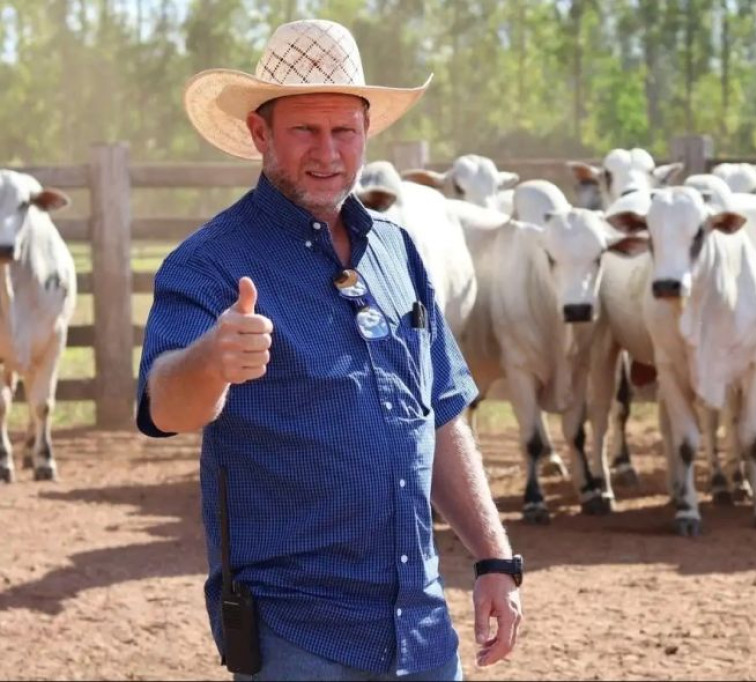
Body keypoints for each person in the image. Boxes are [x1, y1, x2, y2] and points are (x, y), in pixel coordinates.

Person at [136, 18, 522, 681]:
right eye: (304, 131)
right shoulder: (208, 263)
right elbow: (163, 407)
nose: (327, 151)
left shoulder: (398, 252)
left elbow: (440, 409)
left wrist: (493, 557)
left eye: (344, 130)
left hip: (421, 627)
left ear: (366, 131)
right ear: (260, 134)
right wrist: (211, 360)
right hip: (296, 634)